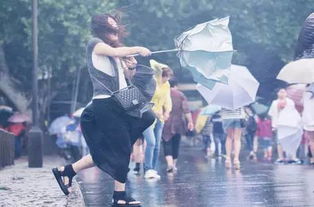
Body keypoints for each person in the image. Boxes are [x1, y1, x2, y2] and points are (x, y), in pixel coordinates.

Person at [52, 13, 155, 206]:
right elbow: (116, 53)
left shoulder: (115, 52)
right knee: (122, 148)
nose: (115, 32)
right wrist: (138, 49)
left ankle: (67, 171)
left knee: (146, 118)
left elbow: (126, 78)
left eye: (116, 28)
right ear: (101, 30)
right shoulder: (95, 44)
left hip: (122, 101)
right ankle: (119, 196)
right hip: (105, 103)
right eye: (110, 29)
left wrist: (132, 67)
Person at [143, 59, 173, 179]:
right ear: (160, 75)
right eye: (165, 76)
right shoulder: (151, 82)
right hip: (148, 115)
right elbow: (152, 61)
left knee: (157, 145)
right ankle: (147, 168)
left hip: (160, 117)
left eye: (169, 77)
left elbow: (167, 99)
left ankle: (153, 169)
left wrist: (167, 112)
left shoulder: (167, 85)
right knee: (151, 142)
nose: (167, 79)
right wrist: (161, 67)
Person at [162, 79, 194, 173]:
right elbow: (186, 110)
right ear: (176, 85)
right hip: (178, 123)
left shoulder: (164, 93)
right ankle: (174, 165)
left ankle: (169, 164)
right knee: (176, 144)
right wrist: (190, 121)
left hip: (165, 121)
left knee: (166, 142)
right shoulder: (180, 95)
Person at [269, 88, 302, 164]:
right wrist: (274, 125)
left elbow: (293, 113)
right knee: (279, 141)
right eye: (280, 92)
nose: (282, 93)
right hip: (280, 124)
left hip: (289, 124)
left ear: (286, 94)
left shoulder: (290, 102)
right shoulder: (274, 103)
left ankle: (292, 157)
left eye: (283, 92)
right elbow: (273, 115)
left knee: (291, 141)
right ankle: (280, 157)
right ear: (277, 93)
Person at [302, 84, 314, 165]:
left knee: (312, 141)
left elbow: (302, 104)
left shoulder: (305, 94)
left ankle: (313, 158)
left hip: (309, 121)